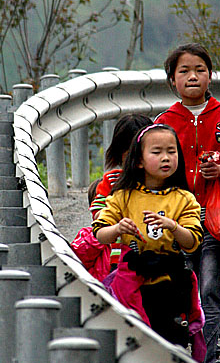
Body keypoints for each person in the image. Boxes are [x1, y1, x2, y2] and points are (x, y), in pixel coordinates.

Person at [154, 43, 220, 363]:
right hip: (176, 220)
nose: (192, 76)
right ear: (172, 80)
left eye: (199, 69)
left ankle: (216, 360)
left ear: (210, 76)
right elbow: (150, 166)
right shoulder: (164, 122)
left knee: (210, 284)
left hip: (215, 218)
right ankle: (184, 352)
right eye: (184, 71)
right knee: (181, 284)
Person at [92, 121, 203, 349]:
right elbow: (100, 234)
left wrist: (173, 226)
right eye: (157, 152)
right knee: (134, 341)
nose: (166, 158)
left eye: (171, 152)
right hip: (131, 279)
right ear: (138, 161)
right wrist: (117, 229)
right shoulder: (122, 196)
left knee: (173, 343)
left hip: (171, 280)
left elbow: (192, 242)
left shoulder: (184, 199)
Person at [92, 114, 148, 269]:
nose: (135, 157)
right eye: (129, 151)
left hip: (155, 254)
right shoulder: (111, 181)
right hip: (119, 257)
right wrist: (117, 219)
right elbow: (98, 214)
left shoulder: (159, 182)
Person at [70, 178, 112, 281]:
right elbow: (77, 256)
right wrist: (100, 234)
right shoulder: (86, 235)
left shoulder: (126, 235)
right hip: (99, 289)